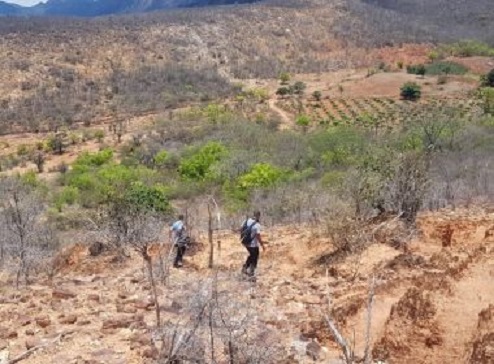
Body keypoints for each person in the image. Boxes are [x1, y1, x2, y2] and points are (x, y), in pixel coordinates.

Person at [240, 211, 265, 279]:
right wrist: (262, 245)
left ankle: (245, 268)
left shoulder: (246, 220)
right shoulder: (257, 224)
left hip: (245, 242)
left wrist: (245, 237)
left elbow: (241, 229)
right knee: (255, 257)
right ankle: (251, 273)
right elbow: (258, 236)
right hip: (253, 244)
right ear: (258, 216)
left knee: (251, 255)